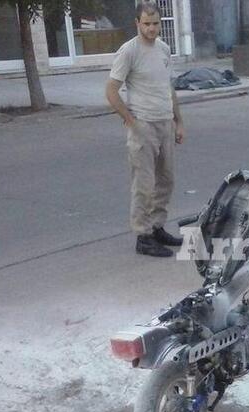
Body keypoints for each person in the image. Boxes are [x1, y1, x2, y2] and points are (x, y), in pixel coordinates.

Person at [105, 2, 184, 257]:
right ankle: (143, 236)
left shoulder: (163, 49)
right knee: (145, 185)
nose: (151, 28)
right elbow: (111, 91)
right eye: (146, 23)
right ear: (137, 23)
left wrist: (178, 121)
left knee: (166, 180)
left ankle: (157, 227)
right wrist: (130, 121)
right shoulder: (129, 51)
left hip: (165, 123)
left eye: (155, 23)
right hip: (143, 126)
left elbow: (167, 87)